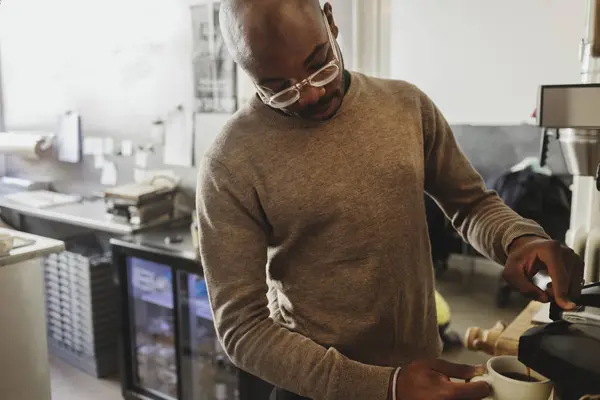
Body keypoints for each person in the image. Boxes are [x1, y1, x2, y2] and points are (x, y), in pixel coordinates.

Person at [195, 1, 584, 399]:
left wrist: (519, 240)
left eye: (319, 64)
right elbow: (242, 328)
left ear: (330, 21)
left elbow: (470, 205)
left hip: (424, 371)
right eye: (277, 88)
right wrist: (386, 388)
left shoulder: (405, 106)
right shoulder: (231, 163)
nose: (309, 94)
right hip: (318, 388)